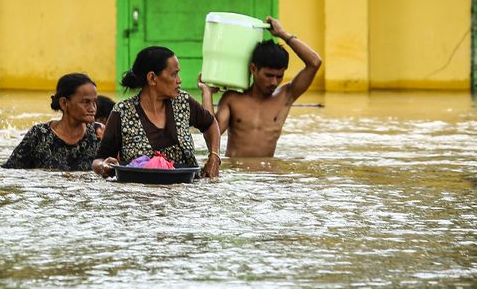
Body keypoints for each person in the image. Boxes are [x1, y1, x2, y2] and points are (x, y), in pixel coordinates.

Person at [198, 17, 322, 157]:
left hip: (267, 176)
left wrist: (283, 34)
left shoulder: (285, 96)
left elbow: (315, 62)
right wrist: (206, 93)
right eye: (268, 76)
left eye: (279, 76)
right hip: (238, 175)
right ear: (253, 69)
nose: (274, 82)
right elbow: (211, 135)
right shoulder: (232, 99)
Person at [93, 46, 221, 178]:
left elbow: (211, 124)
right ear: (152, 78)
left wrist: (214, 157)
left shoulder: (184, 102)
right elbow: (99, 160)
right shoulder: (122, 112)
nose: (179, 80)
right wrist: (104, 167)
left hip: (185, 192)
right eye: (174, 74)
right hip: (141, 195)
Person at [2, 73, 102, 171]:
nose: (93, 108)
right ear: (64, 103)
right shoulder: (39, 135)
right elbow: (10, 171)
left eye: (95, 102)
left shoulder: (99, 135)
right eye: (86, 102)